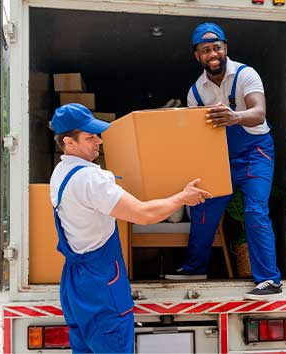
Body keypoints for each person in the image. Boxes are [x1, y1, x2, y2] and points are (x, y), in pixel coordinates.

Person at [49, 103, 212, 353]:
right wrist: (182, 198)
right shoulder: (91, 179)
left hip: (75, 283)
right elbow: (143, 215)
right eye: (90, 137)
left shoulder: (61, 173)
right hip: (102, 284)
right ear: (69, 143)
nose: (99, 141)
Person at [164, 22, 282, 300]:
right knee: (203, 208)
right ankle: (195, 268)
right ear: (198, 56)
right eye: (206, 50)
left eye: (217, 47)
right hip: (221, 158)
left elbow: (259, 112)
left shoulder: (245, 74)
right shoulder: (196, 92)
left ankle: (269, 280)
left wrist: (235, 117)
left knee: (255, 211)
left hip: (256, 153)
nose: (213, 53)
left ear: (225, 48)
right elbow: (198, 133)